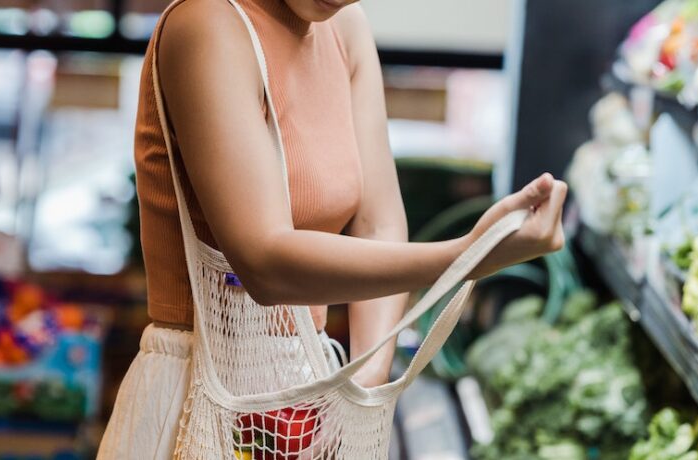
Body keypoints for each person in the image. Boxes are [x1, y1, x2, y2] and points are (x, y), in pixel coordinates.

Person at [97, 0, 568, 458]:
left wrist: (363, 383)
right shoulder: (208, 22)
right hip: (199, 392)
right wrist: (469, 257)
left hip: (308, 385)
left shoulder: (346, 29)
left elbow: (378, 223)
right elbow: (264, 264)